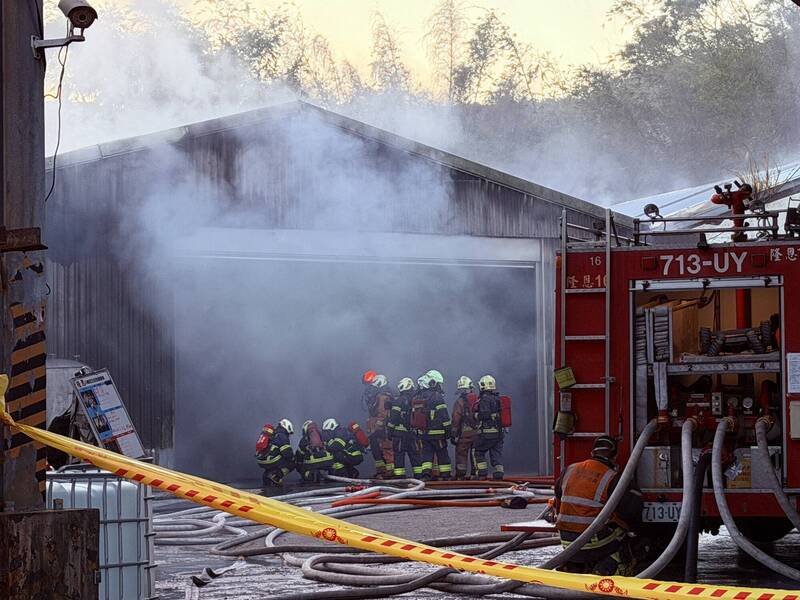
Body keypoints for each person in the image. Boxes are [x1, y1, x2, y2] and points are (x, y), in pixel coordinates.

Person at [554, 435, 643, 576]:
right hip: (595, 544)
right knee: (630, 535)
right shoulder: (612, 477)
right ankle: (614, 565)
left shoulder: (569, 470)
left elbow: (558, 496)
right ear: (615, 456)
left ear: (592, 453)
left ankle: (574, 565)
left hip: (566, 543)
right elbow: (632, 512)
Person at [417, 369, 452, 480]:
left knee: (427, 455)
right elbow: (444, 415)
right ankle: (445, 475)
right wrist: (448, 430)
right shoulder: (437, 396)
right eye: (438, 384)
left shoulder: (419, 396)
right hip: (438, 433)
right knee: (442, 454)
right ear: (433, 383)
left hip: (424, 434)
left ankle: (426, 474)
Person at [362, 372, 394, 479]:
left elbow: (382, 413)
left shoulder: (384, 396)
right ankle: (381, 471)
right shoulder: (376, 396)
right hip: (374, 427)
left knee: (386, 448)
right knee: (377, 450)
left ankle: (390, 472)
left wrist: (378, 426)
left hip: (382, 427)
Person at [473, 375, 505, 480]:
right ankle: (499, 473)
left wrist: (476, 415)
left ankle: (482, 474)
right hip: (499, 433)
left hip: (486, 433)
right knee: (496, 453)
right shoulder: (497, 398)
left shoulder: (484, 399)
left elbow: (485, 414)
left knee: (478, 451)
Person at [388, 377, 421, 479]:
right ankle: (419, 476)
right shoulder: (417, 399)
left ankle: (399, 477)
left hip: (399, 434)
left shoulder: (399, 401)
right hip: (413, 433)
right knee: (415, 455)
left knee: (399, 455)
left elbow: (394, 418)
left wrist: (390, 430)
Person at [451, 376, 479, 479]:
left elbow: (455, 419)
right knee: (475, 454)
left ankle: (460, 475)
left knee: (461, 454)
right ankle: (475, 474)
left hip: (463, 435)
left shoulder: (459, 402)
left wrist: (454, 434)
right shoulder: (478, 399)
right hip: (477, 433)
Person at [255, 419, 295, 486]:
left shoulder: (274, 434)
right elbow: (287, 453)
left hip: (261, 460)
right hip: (272, 460)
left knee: (273, 465)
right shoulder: (281, 435)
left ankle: (267, 477)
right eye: (289, 433)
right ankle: (276, 476)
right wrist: (293, 459)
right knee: (292, 463)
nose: (288, 435)